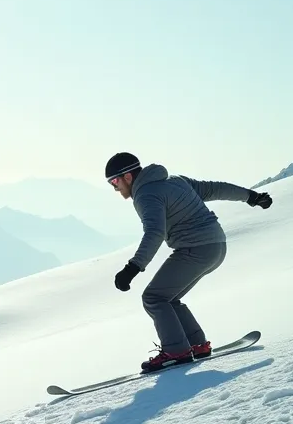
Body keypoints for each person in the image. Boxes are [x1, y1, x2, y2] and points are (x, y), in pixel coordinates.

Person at [104, 152, 272, 371]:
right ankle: (196, 345)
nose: (114, 187)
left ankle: (176, 351)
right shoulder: (175, 181)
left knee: (154, 298)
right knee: (168, 298)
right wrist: (250, 196)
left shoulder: (146, 194)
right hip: (217, 246)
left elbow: (154, 232)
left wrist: (133, 267)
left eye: (114, 181)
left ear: (128, 176)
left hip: (196, 249)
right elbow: (213, 188)